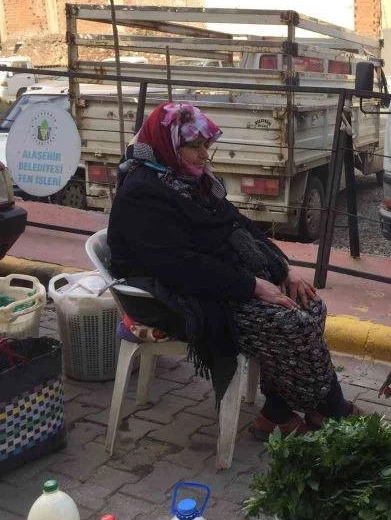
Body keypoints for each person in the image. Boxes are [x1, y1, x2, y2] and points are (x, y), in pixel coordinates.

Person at [107, 102, 360, 438]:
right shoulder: (143, 192)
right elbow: (179, 265)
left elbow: (236, 223)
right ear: (168, 144)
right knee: (290, 322)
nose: (203, 156)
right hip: (168, 297)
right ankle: (329, 406)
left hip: (210, 278)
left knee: (310, 303)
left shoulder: (186, 179)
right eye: (194, 147)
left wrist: (282, 270)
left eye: (205, 146)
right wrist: (252, 285)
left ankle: (276, 413)